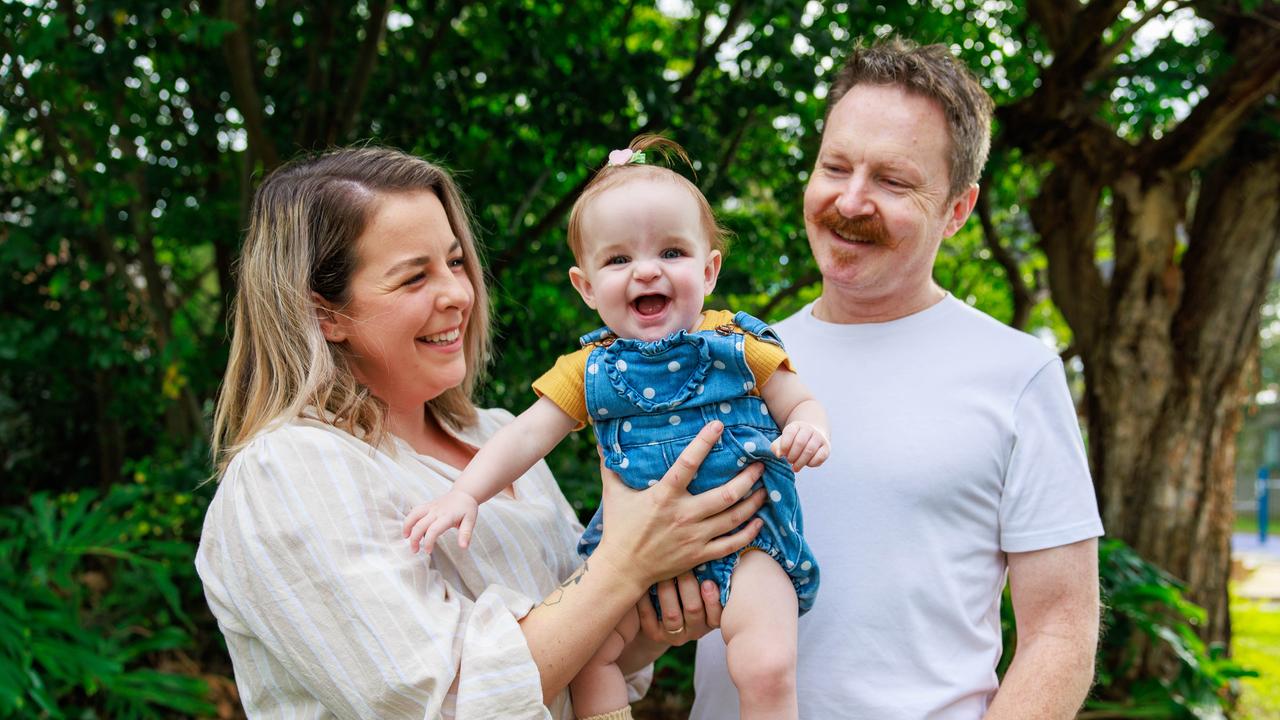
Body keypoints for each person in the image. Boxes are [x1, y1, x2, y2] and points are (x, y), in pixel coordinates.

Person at [194, 146, 772, 720]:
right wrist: (627, 566)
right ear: (327, 315)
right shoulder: (291, 471)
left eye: (453, 262)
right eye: (413, 277)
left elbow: (589, 654)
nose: (458, 293)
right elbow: (440, 701)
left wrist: (663, 612)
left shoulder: (494, 434)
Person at [692, 37, 1104, 719]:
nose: (851, 200)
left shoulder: (1017, 372)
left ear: (958, 209)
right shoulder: (734, 360)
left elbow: (1061, 631)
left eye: (893, 180)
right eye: (836, 166)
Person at [402, 135, 830, 720]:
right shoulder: (590, 368)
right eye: (619, 259)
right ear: (585, 286)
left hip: (747, 536)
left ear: (709, 270)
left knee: (766, 662)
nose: (646, 271)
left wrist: (809, 428)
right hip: (630, 552)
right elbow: (525, 435)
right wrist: (464, 492)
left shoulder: (735, 344)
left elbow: (799, 400)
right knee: (591, 656)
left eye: (672, 253)